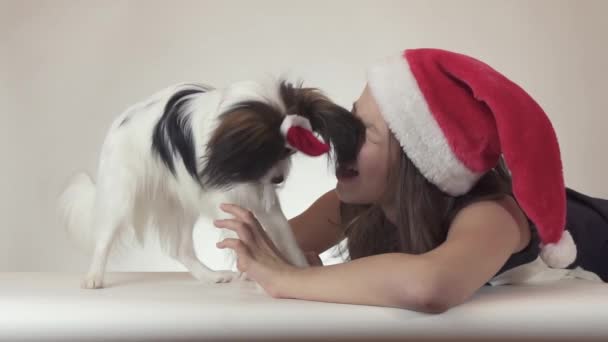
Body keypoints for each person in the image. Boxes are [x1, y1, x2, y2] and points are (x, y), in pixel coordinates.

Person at [213, 48, 608, 313]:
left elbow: (429, 287)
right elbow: (269, 250)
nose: (340, 139)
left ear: (419, 161)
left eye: (363, 131)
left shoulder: (493, 214)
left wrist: (291, 279)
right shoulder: (354, 201)